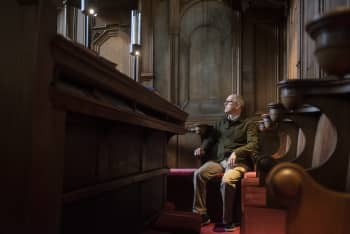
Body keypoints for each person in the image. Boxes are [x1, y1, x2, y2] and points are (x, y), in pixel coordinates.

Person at [192, 94, 259, 232]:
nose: (224, 104)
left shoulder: (248, 124)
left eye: (228, 102)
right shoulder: (221, 122)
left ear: (237, 106)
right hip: (220, 161)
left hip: (239, 163)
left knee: (227, 180)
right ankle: (201, 214)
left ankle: (228, 221)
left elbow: (253, 144)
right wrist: (202, 148)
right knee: (199, 173)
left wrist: (237, 152)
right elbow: (210, 139)